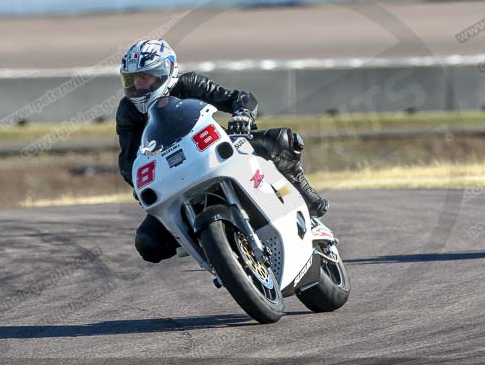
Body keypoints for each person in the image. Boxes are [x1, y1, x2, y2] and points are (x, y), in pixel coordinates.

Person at [116, 39, 329, 263]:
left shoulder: (189, 84)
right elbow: (128, 162)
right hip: (173, 175)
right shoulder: (128, 111)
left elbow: (240, 98)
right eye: (132, 79)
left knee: (282, 140)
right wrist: (142, 185)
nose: (138, 85)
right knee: (147, 243)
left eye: (145, 77)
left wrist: (241, 115)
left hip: (213, 149)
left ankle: (306, 200)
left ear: (166, 71)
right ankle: (204, 242)